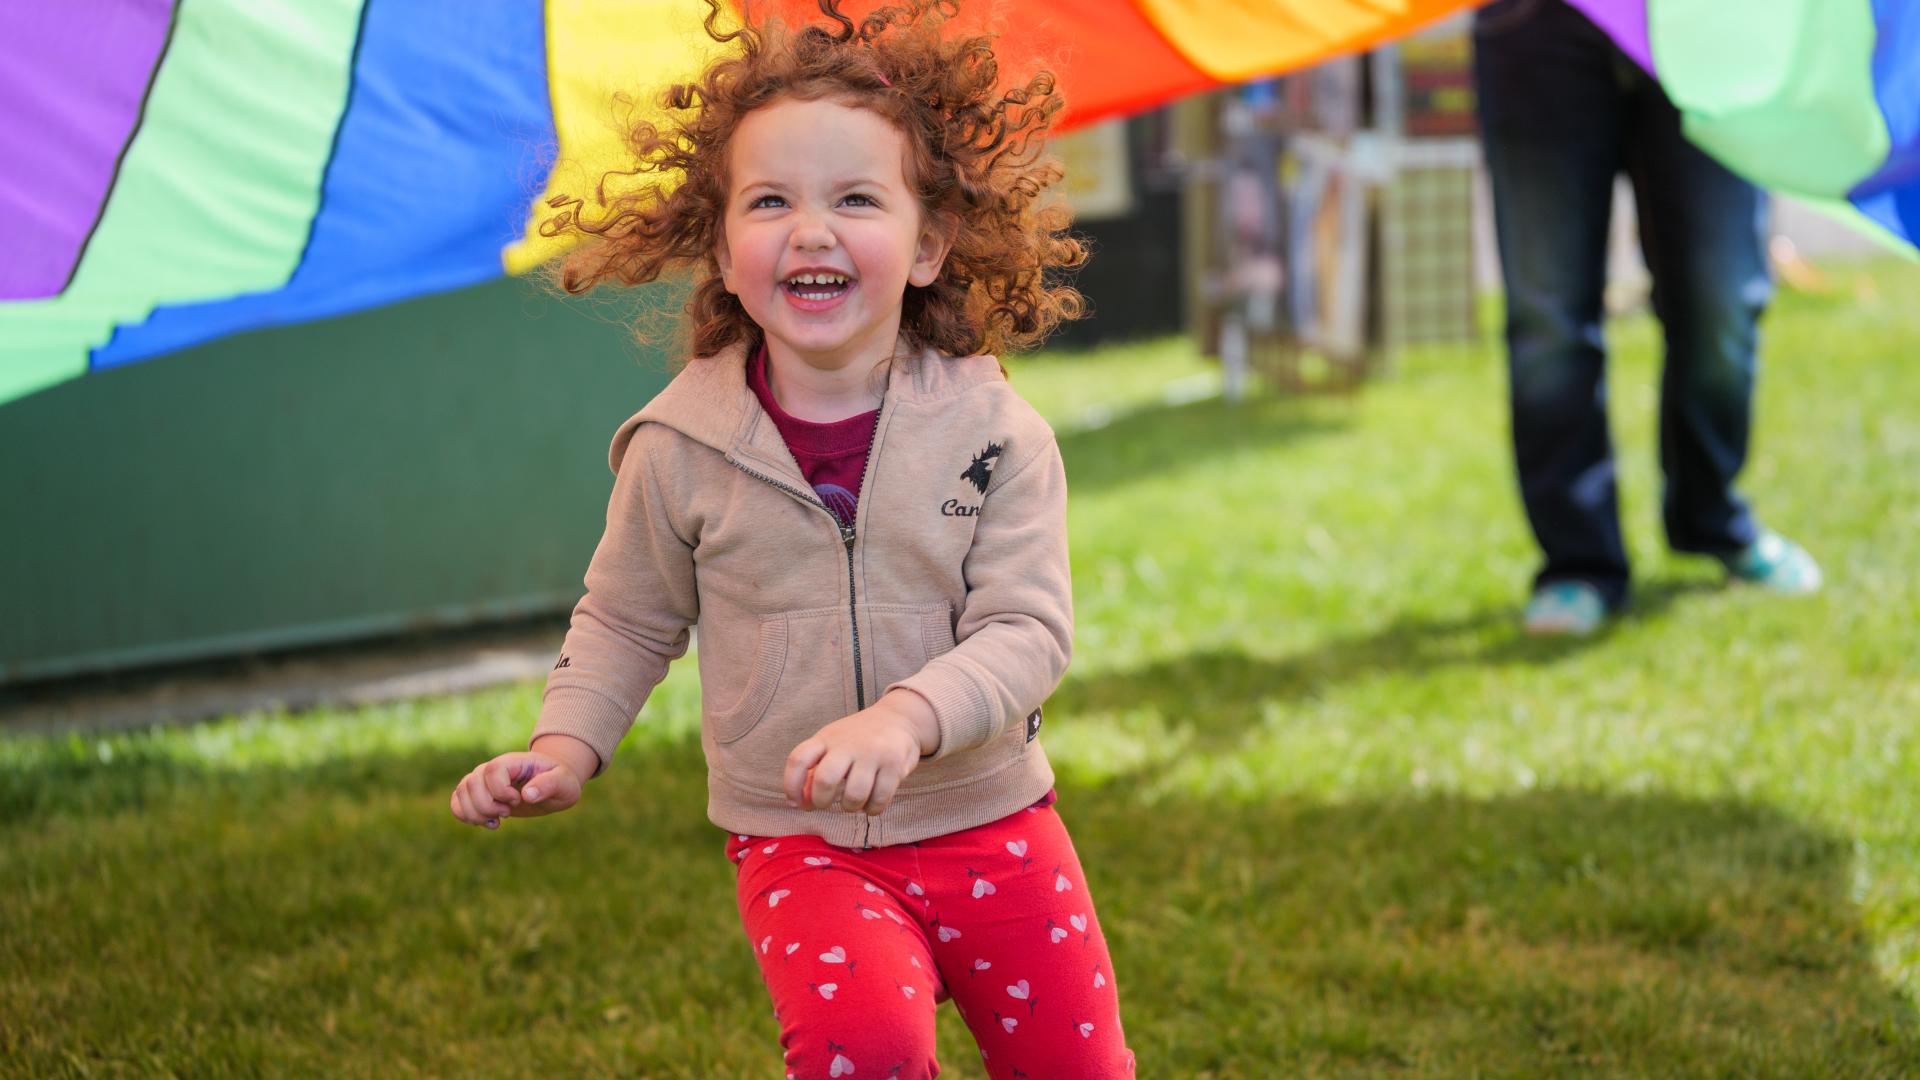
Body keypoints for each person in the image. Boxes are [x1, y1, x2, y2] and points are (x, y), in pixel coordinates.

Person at [448, 3, 1134, 1075]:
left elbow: (1028, 630)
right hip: (804, 844)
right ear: (723, 251)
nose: (810, 229)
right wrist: (563, 749)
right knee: (863, 1050)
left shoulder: (996, 433)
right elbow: (627, 617)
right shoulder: (681, 447)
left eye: (856, 199)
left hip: (995, 825)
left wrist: (906, 721)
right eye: (771, 202)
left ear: (929, 245)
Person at [1473, 0, 1821, 636]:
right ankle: (1578, 561)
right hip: (1537, 25)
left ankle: (1714, 518)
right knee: (1548, 315)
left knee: (1722, 296)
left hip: (1709, 25)